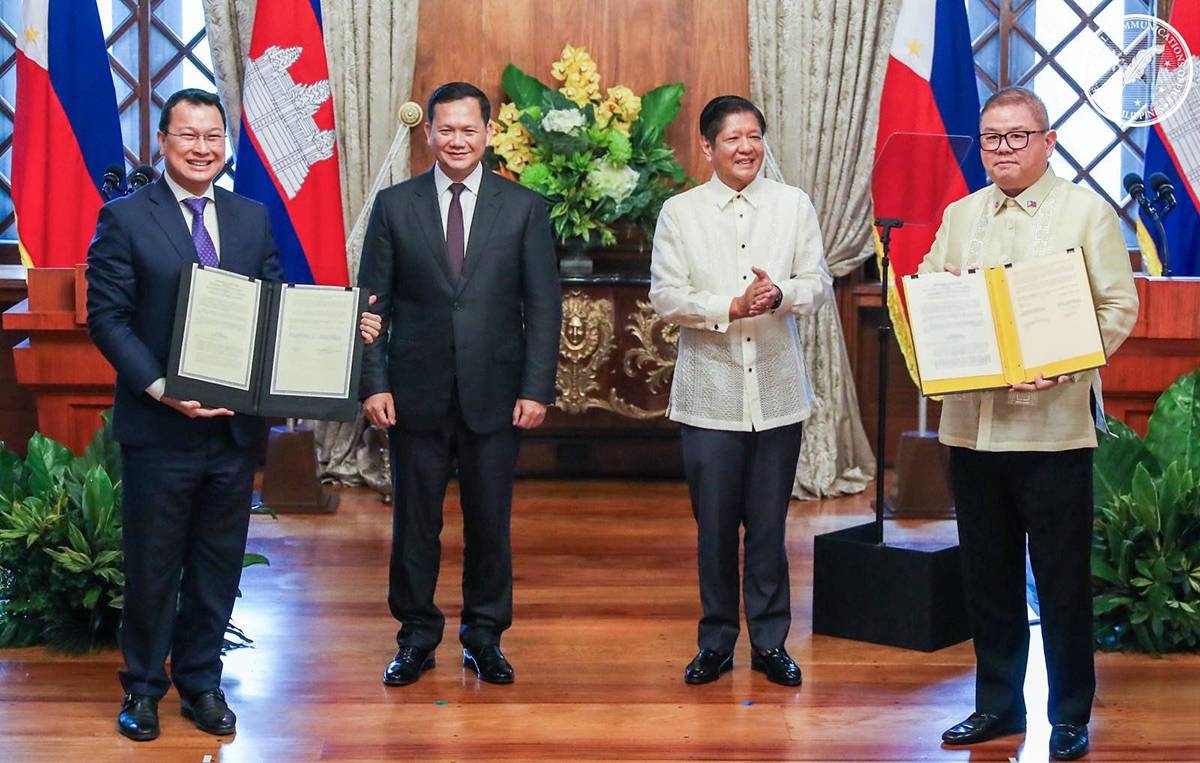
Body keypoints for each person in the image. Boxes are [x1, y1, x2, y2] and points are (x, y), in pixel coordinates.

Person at [86, 88, 380, 742]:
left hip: (232, 430)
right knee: (153, 565)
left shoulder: (250, 217)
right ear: (162, 141)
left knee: (218, 564)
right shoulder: (127, 218)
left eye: (212, 135)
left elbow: (276, 309)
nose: (201, 147)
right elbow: (106, 319)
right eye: (187, 135)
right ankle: (142, 689)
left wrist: (339, 326)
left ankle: (201, 682)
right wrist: (163, 387)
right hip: (160, 427)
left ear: (226, 143)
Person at [918, 87, 1138, 761]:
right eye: (992, 138)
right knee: (987, 574)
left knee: (1063, 576)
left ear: (1048, 141)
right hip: (973, 426)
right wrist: (945, 289)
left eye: (1018, 136)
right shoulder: (960, 214)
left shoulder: (1086, 214)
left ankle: (1069, 712)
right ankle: (996, 704)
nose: (1004, 149)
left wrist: (1067, 365)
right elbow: (928, 283)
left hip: (1053, 428)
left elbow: (1117, 306)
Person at [358, 81, 561, 687]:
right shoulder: (395, 206)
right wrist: (374, 383)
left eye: (468, 129)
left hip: (496, 396)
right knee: (415, 525)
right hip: (413, 394)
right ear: (428, 134)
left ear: (488, 133)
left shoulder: (524, 208)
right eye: (445, 129)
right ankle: (416, 636)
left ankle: (485, 636)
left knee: (490, 522)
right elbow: (372, 306)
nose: (457, 140)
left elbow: (543, 309)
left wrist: (536, 388)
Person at [649, 95, 832, 687]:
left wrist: (779, 295)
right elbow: (666, 296)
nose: (746, 147)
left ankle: (771, 642)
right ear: (707, 147)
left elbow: (818, 282)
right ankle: (717, 641)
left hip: (778, 392)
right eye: (732, 138)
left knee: (770, 526)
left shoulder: (793, 205)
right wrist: (728, 306)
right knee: (716, 527)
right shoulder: (680, 213)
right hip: (710, 394)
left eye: (754, 135)